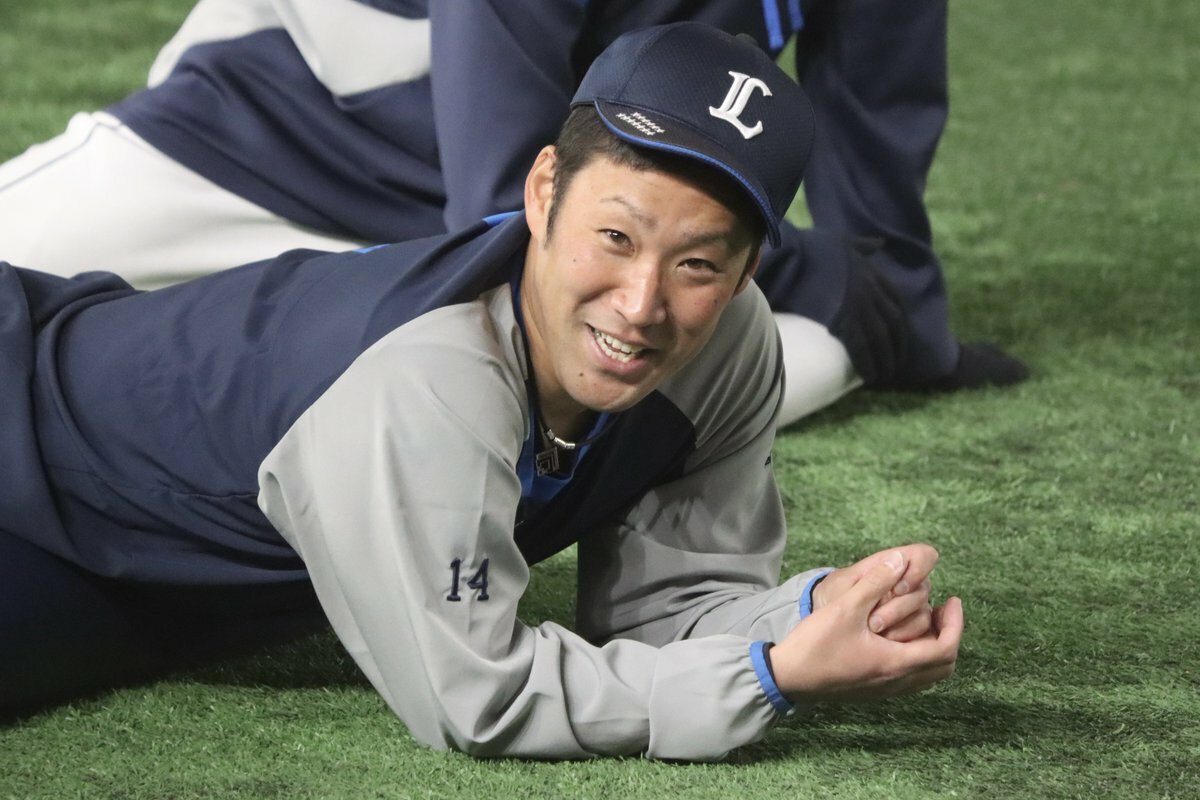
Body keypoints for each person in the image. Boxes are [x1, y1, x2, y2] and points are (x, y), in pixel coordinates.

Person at [0, 24, 962, 759]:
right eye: (614, 237)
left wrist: (812, 613)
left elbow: (669, 608)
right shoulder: (426, 379)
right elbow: (478, 697)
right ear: (543, 193)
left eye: (699, 263)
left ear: (750, 270)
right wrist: (770, 676)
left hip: (188, 563)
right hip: (28, 461)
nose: (640, 305)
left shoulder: (729, 346)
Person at [0, 0, 1028, 427]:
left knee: (799, 342)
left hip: (512, 217)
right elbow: (507, 190)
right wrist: (804, 267)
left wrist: (902, 313)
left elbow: (877, 98)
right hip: (244, 147)